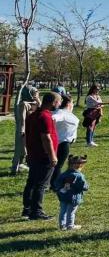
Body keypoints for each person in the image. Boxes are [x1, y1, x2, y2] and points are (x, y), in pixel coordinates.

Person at [22, 91, 60, 221]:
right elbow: (46, 138)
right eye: (58, 102)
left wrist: (27, 152)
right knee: (42, 184)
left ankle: (27, 209)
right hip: (44, 155)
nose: (59, 104)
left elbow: (27, 135)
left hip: (33, 153)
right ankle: (36, 211)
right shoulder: (45, 116)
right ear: (53, 102)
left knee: (31, 182)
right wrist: (52, 156)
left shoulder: (32, 116)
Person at [51, 94, 80, 190]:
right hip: (62, 143)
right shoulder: (61, 113)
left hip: (64, 142)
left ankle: (54, 183)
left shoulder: (66, 113)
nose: (73, 105)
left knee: (57, 165)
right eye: (72, 103)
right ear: (68, 103)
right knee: (58, 165)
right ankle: (55, 185)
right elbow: (54, 117)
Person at [55, 154, 89, 230]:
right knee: (71, 212)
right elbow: (83, 186)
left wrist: (60, 190)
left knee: (63, 210)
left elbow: (56, 184)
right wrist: (86, 187)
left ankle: (62, 225)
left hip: (63, 196)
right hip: (74, 197)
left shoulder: (63, 174)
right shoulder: (79, 176)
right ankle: (70, 225)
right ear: (79, 166)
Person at [12, 85, 39, 174]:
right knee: (24, 147)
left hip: (35, 128)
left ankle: (29, 163)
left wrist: (38, 100)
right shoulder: (24, 104)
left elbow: (43, 110)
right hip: (26, 128)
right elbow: (22, 119)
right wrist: (22, 130)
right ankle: (20, 164)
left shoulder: (35, 103)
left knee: (33, 146)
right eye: (35, 93)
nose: (36, 94)